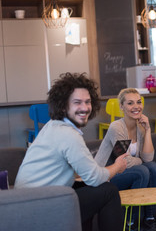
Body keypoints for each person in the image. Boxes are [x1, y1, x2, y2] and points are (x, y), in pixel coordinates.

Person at [14, 72, 127, 231]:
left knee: (87, 189)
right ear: (63, 105)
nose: (84, 108)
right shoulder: (68, 134)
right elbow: (94, 177)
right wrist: (117, 166)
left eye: (88, 102)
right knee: (108, 191)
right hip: (40, 207)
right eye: (77, 102)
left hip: (27, 203)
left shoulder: (53, 125)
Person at [95, 88, 156, 231]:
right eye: (130, 103)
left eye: (138, 102)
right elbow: (124, 161)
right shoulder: (116, 127)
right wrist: (140, 160)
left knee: (153, 167)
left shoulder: (140, 128)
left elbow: (148, 158)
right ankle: (130, 222)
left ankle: (150, 219)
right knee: (142, 171)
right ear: (122, 107)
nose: (136, 106)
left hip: (124, 172)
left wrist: (148, 130)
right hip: (107, 175)